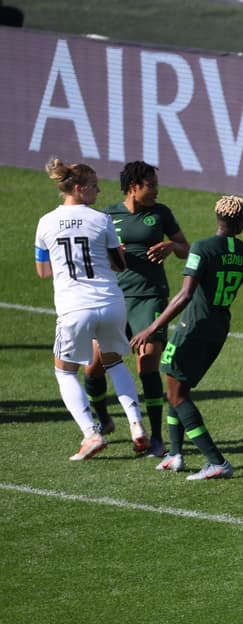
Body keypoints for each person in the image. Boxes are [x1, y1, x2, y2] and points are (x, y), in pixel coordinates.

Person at [130, 195, 243, 480]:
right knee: (179, 387)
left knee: (175, 392)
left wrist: (152, 328)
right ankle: (176, 454)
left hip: (195, 324)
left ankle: (215, 461)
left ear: (217, 217)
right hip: (219, 325)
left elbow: (185, 294)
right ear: (242, 222)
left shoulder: (202, 247)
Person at [35, 157, 148, 460]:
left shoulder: (45, 222)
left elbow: (42, 271)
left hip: (74, 307)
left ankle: (91, 433)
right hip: (111, 303)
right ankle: (137, 427)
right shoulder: (101, 220)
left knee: (65, 371)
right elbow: (120, 264)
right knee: (115, 364)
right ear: (79, 188)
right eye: (95, 186)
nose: (99, 191)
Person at [83, 161, 189, 457]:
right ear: (133, 187)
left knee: (148, 364)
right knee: (93, 365)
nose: (156, 190)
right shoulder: (107, 216)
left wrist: (170, 246)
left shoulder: (161, 214)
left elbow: (186, 249)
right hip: (114, 298)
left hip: (150, 297)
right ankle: (103, 417)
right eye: (150, 185)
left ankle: (155, 437)